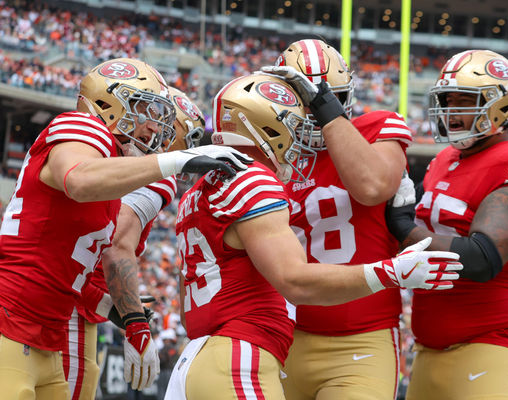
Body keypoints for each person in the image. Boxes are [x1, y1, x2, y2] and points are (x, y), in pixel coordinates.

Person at [165, 73, 463, 400]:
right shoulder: (252, 179)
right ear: (265, 128)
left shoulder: (200, 189)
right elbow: (295, 281)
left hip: (200, 355)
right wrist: (389, 272)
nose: (299, 140)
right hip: (239, 356)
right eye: (292, 126)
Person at [0, 57, 251, 399]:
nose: (155, 129)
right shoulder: (86, 128)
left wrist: (121, 314)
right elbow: (78, 180)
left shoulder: (112, 182)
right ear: (108, 103)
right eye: (145, 110)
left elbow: (72, 272)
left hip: (46, 333)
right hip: (12, 320)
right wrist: (172, 161)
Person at [385, 49, 508, 399]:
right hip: (427, 349)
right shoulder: (445, 160)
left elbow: (480, 258)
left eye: (464, 101)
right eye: (446, 100)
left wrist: (405, 229)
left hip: (494, 348)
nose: (451, 111)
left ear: (499, 105)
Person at [262, 39, 413, 400]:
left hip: (362, 338)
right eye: (303, 100)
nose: (312, 111)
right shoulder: (269, 153)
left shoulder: (378, 127)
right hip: (281, 336)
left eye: (323, 99)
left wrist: (327, 110)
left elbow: (371, 186)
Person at [60, 85, 207, 399]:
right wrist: (134, 321)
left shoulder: (96, 151)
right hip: (67, 306)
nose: (156, 128)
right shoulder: (156, 173)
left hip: (64, 290)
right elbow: (114, 245)